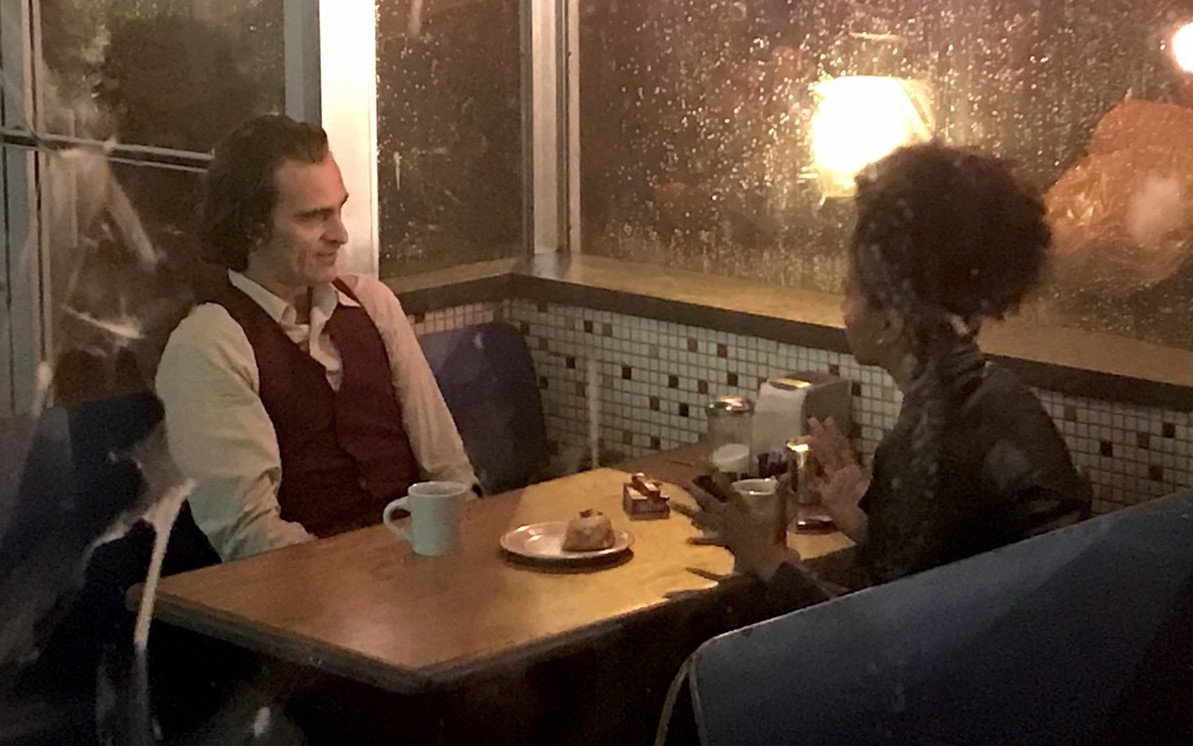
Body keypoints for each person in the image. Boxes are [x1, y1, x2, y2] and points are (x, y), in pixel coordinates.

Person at [680, 142, 1092, 604]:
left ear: (891, 322)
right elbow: (942, 567)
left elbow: (878, 634)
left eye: (850, 291)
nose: (842, 308)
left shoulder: (932, 439)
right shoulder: (995, 393)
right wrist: (865, 521)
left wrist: (765, 557)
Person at [156, 114, 477, 562]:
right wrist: (360, 580)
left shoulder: (373, 303)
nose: (340, 235)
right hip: (300, 586)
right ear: (253, 228)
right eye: (313, 217)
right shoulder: (209, 345)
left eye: (339, 210)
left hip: (414, 570)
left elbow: (447, 468)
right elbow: (251, 537)